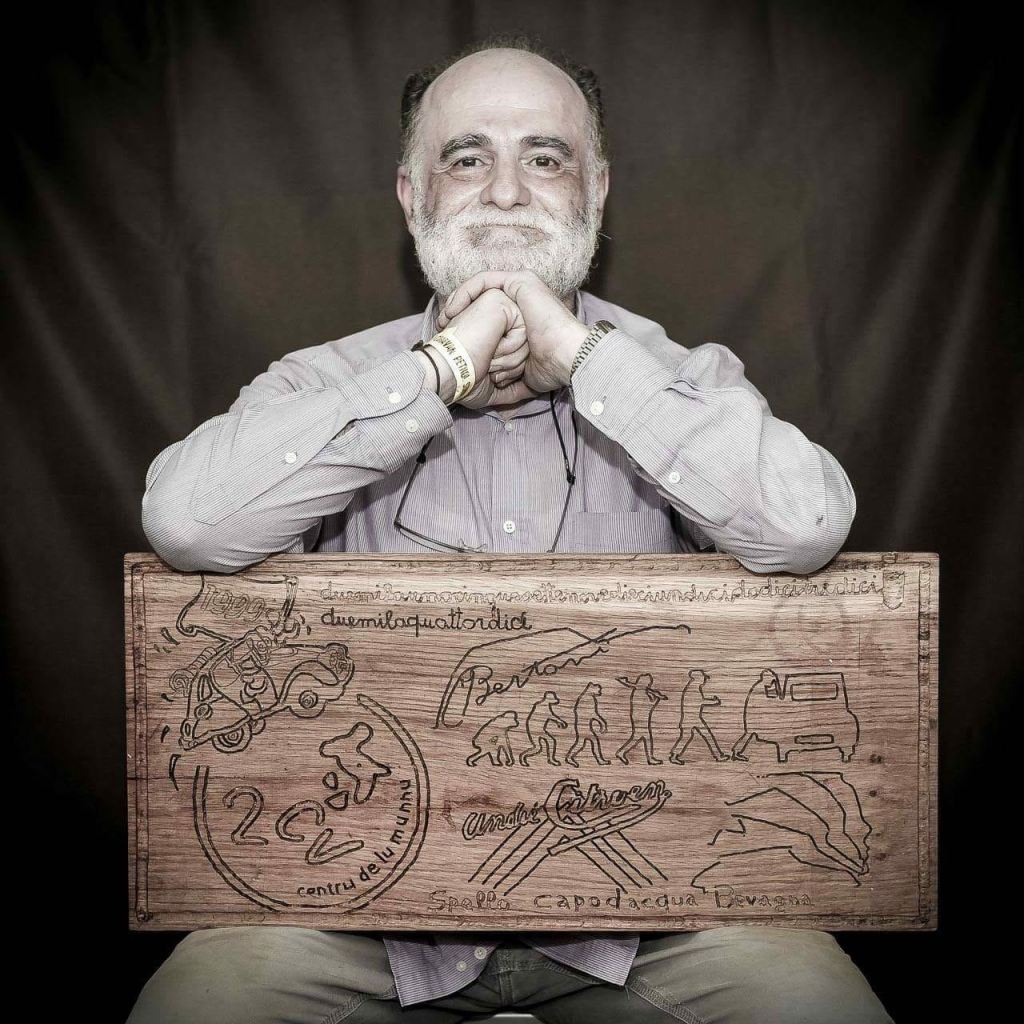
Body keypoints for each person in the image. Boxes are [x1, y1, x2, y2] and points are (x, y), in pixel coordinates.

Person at [129, 33, 893, 1024]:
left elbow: (806, 524)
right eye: (466, 157)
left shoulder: (680, 378)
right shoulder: (326, 382)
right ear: (412, 195)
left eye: (544, 156)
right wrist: (441, 372)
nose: (503, 191)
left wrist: (581, 358)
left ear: (595, 193)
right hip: (353, 911)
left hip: (659, 915)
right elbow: (186, 521)